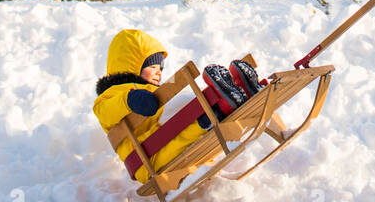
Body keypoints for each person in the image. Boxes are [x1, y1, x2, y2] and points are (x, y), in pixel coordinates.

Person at [94, 28, 261, 184]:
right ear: (131, 68)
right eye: (152, 67)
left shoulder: (153, 91)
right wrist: (129, 99)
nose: (158, 72)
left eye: (160, 68)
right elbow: (106, 112)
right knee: (182, 108)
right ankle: (224, 101)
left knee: (183, 108)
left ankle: (231, 99)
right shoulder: (111, 96)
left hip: (170, 140)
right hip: (147, 159)